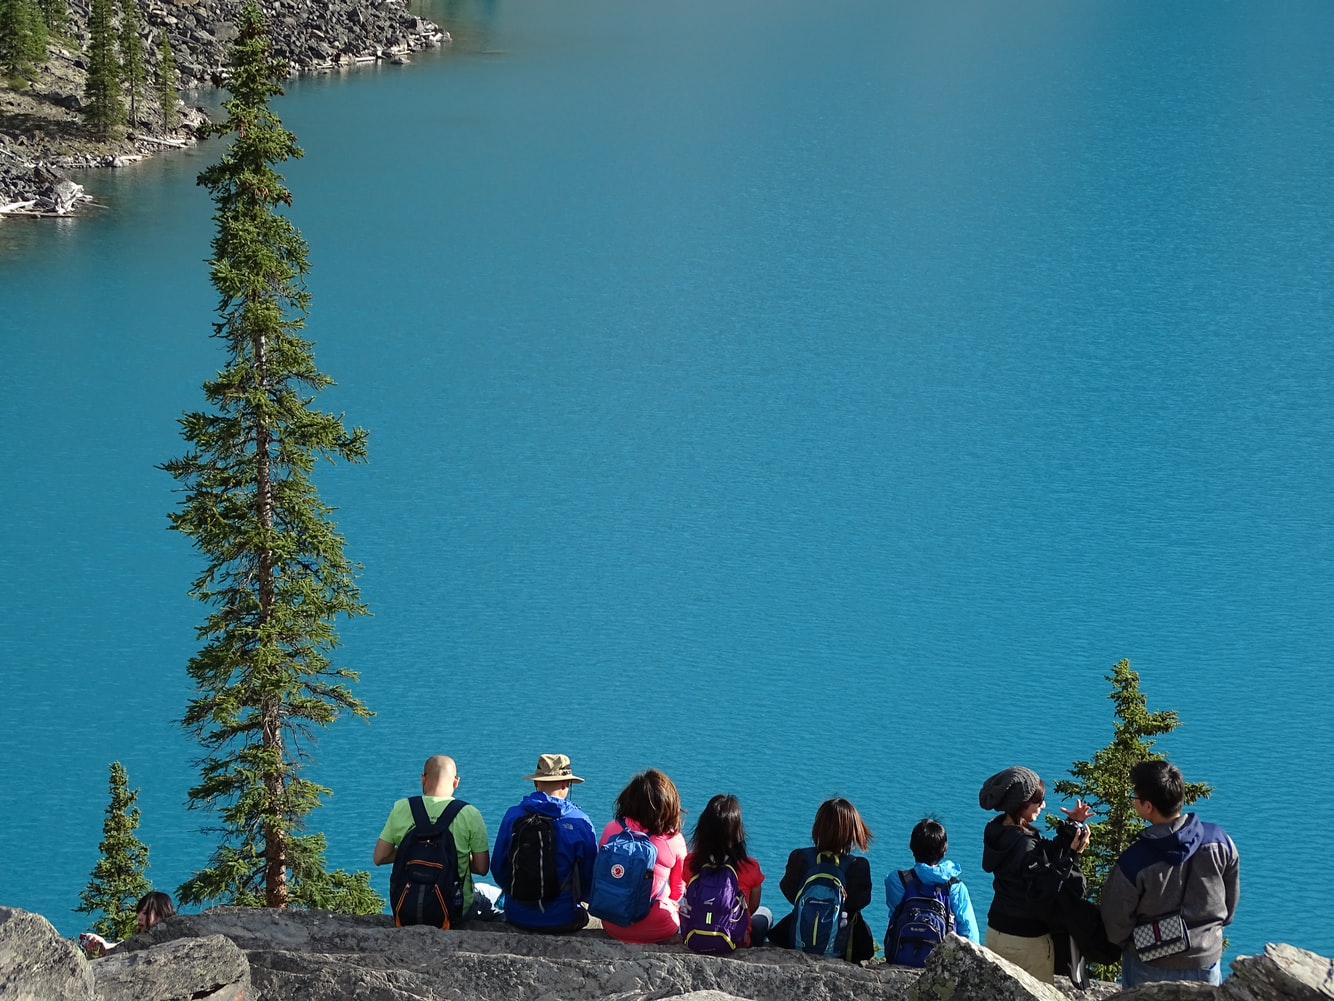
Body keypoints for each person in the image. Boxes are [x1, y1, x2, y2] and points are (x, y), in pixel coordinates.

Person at [1100, 760, 1240, 988]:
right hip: (1205, 959)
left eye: (1135, 797)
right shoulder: (1219, 841)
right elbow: (1229, 904)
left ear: (1148, 806)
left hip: (1148, 963)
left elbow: (1116, 926)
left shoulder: (1134, 861)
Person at [979, 766, 1092, 982]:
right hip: (1026, 939)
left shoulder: (996, 831)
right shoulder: (1024, 844)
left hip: (996, 932)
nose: (1043, 805)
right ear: (1021, 804)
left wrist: (1072, 827)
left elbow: (1042, 854)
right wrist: (1073, 856)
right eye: (1038, 801)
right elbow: (1045, 890)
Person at [374, 754, 492, 925]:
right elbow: (482, 868)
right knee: (492, 898)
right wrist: (456, 858)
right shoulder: (469, 813)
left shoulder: (401, 807)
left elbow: (379, 857)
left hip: (406, 909)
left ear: (423, 779)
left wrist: (413, 852)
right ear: (456, 782)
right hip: (453, 910)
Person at [491, 753, 598, 933]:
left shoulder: (513, 815)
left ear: (536, 783)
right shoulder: (581, 822)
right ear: (566, 784)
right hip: (563, 917)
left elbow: (497, 868)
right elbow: (590, 878)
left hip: (517, 915)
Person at [768, 797, 876, 961]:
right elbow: (860, 902)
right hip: (842, 939)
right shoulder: (858, 865)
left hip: (799, 936)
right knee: (866, 949)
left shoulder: (800, 857)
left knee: (775, 935)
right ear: (853, 830)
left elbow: (789, 893)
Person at [597, 768, 688, 944]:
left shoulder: (611, 829)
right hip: (658, 928)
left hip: (613, 923)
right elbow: (678, 890)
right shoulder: (674, 840)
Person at [884, 817, 980, 960]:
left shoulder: (897, 880)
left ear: (912, 847)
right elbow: (970, 935)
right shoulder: (956, 888)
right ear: (944, 850)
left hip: (901, 956)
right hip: (940, 965)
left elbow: (895, 913)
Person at [683, 793, 772, 947]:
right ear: (738, 833)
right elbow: (753, 906)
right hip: (735, 940)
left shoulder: (690, 862)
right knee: (765, 913)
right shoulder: (751, 867)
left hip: (695, 936)